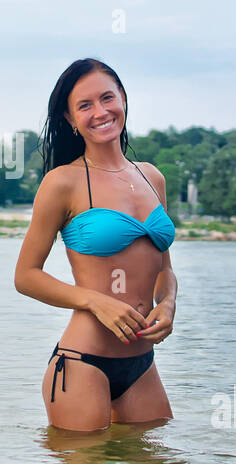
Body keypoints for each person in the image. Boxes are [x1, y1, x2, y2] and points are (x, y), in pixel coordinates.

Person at [14, 58, 177, 432]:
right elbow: (25, 276)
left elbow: (164, 269)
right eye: (84, 105)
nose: (100, 112)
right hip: (82, 362)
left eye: (107, 98)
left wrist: (167, 303)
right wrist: (95, 300)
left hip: (142, 365)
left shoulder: (152, 177)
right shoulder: (62, 183)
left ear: (123, 98)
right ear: (71, 120)